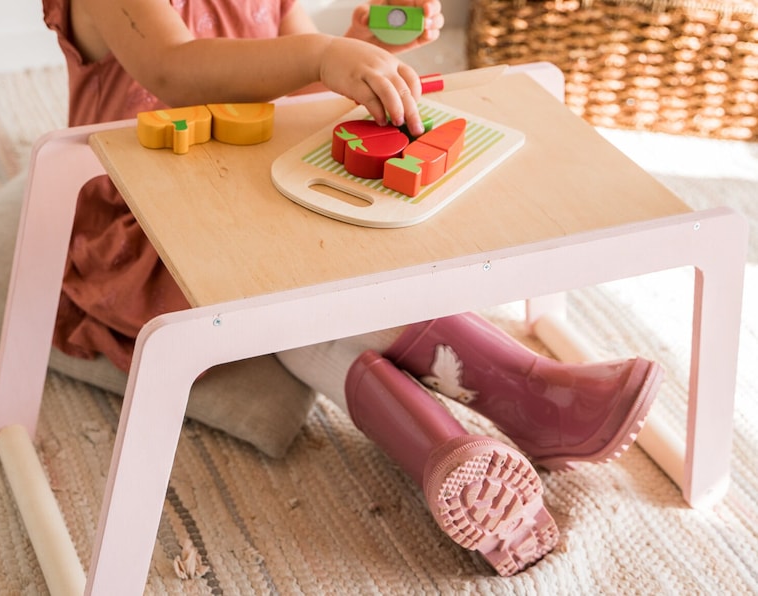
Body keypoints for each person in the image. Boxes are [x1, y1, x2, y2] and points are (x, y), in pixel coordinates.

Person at [44, 0, 664, 576]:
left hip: (244, 193)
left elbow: (287, 93)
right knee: (295, 274)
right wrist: (320, 54)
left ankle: (444, 451)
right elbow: (175, 69)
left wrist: (352, 53)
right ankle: (519, 391)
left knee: (342, 250)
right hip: (146, 226)